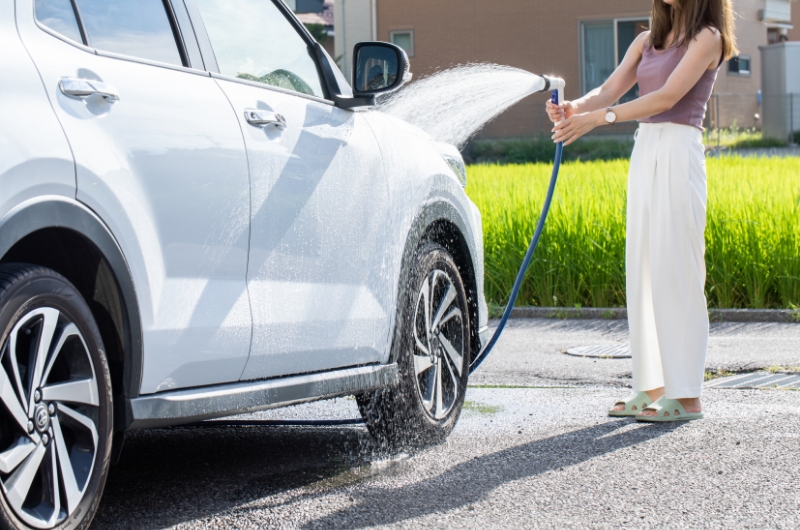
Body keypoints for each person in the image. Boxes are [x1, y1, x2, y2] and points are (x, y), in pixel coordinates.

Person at [545, 0, 737, 422]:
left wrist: (600, 119)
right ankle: (650, 385)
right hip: (645, 149)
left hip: (678, 150)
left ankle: (686, 395)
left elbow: (666, 97)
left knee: (677, 269)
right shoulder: (645, 40)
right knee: (643, 268)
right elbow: (608, 90)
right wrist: (575, 107)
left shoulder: (708, 38)